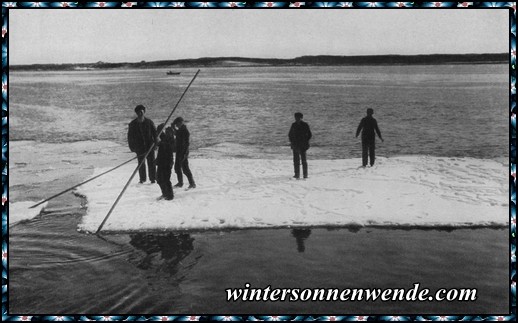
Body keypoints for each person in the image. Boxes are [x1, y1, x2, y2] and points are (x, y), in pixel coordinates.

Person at [127, 104, 158, 184]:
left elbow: (155, 134)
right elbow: (130, 137)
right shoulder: (133, 124)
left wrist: (155, 144)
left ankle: (153, 178)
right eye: (138, 112)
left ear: (144, 112)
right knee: (141, 164)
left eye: (142, 112)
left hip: (149, 146)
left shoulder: (149, 122)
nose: (140, 114)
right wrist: (132, 147)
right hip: (139, 148)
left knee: (151, 163)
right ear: (137, 113)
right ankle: (142, 179)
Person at [172, 117, 196, 189]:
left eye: (177, 124)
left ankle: (191, 183)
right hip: (180, 151)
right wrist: (173, 128)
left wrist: (184, 153)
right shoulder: (181, 130)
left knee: (185, 168)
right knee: (178, 167)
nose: (177, 125)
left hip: (183, 152)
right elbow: (177, 133)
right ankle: (181, 183)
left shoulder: (185, 131)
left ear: (180, 123)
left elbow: (186, 143)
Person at [288, 112, 312, 179]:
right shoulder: (293, 125)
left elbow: (309, 135)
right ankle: (297, 174)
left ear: (301, 118)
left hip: (303, 145)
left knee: (303, 160)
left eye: (298, 118)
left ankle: (305, 175)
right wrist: (292, 142)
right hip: (295, 145)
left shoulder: (305, 125)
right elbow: (290, 135)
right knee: (296, 161)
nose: (297, 119)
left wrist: (305, 141)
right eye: (296, 118)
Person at [155, 123, 175, 200]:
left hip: (167, 162)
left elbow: (167, 146)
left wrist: (159, 143)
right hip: (161, 161)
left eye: (168, 132)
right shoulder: (164, 137)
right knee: (159, 178)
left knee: (166, 179)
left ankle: (170, 196)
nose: (167, 133)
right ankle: (164, 193)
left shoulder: (171, 140)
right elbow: (160, 136)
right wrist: (160, 128)